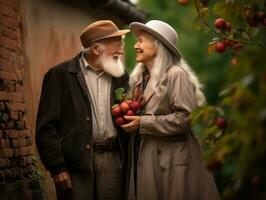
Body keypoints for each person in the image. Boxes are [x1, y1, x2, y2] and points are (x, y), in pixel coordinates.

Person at [122, 20, 221, 200]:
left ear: (158, 45)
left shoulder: (176, 74)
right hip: (146, 159)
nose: (136, 45)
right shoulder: (139, 79)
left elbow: (186, 119)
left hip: (173, 163)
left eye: (141, 40)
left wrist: (143, 123)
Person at [36, 20, 130, 200]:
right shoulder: (59, 76)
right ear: (96, 49)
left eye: (122, 45)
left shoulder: (121, 77)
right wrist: (57, 167)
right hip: (75, 164)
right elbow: (45, 128)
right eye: (117, 46)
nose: (121, 51)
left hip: (113, 161)